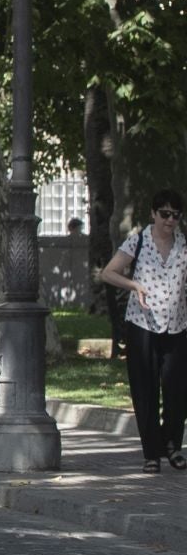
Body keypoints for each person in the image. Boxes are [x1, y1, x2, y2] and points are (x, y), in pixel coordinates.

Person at [99, 189, 187, 473]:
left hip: (177, 325)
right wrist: (134, 285)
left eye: (175, 215)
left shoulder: (184, 245)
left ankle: (172, 444)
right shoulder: (138, 241)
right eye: (164, 214)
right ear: (153, 214)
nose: (170, 220)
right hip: (142, 326)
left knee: (177, 391)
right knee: (144, 390)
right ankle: (153, 453)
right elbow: (108, 273)